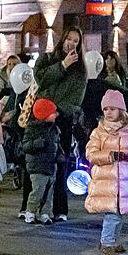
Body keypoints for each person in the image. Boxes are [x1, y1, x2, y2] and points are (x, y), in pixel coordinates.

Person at [34, 26, 87, 222]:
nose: (71, 43)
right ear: (62, 39)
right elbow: (41, 80)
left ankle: (60, 208)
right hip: (41, 118)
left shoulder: (80, 70)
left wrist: (58, 110)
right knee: (39, 164)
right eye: (69, 39)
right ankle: (34, 206)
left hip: (62, 120)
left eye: (75, 40)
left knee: (60, 162)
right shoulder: (47, 60)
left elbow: (76, 99)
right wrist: (62, 65)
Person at [84, 89, 128, 255]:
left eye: (112, 108)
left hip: (125, 182)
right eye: (105, 109)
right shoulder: (99, 132)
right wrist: (110, 156)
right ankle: (107, 242)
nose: (108, 112)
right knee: (113, 214)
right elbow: (91, 154)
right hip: (107, 181)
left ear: (121, 110)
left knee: (120, 213)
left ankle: (113, 240)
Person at [22, 99, 60, 225]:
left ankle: (45, 213)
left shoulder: (54, 129)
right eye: (53, 112)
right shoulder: (32, 129)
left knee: (49, 192)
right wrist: (35, 144)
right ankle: (30, 211)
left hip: (50, 164)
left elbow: (56, 144)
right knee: (38, 190)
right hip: (37, 165)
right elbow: (25, 146)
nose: (56, 114)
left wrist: (60, 154)